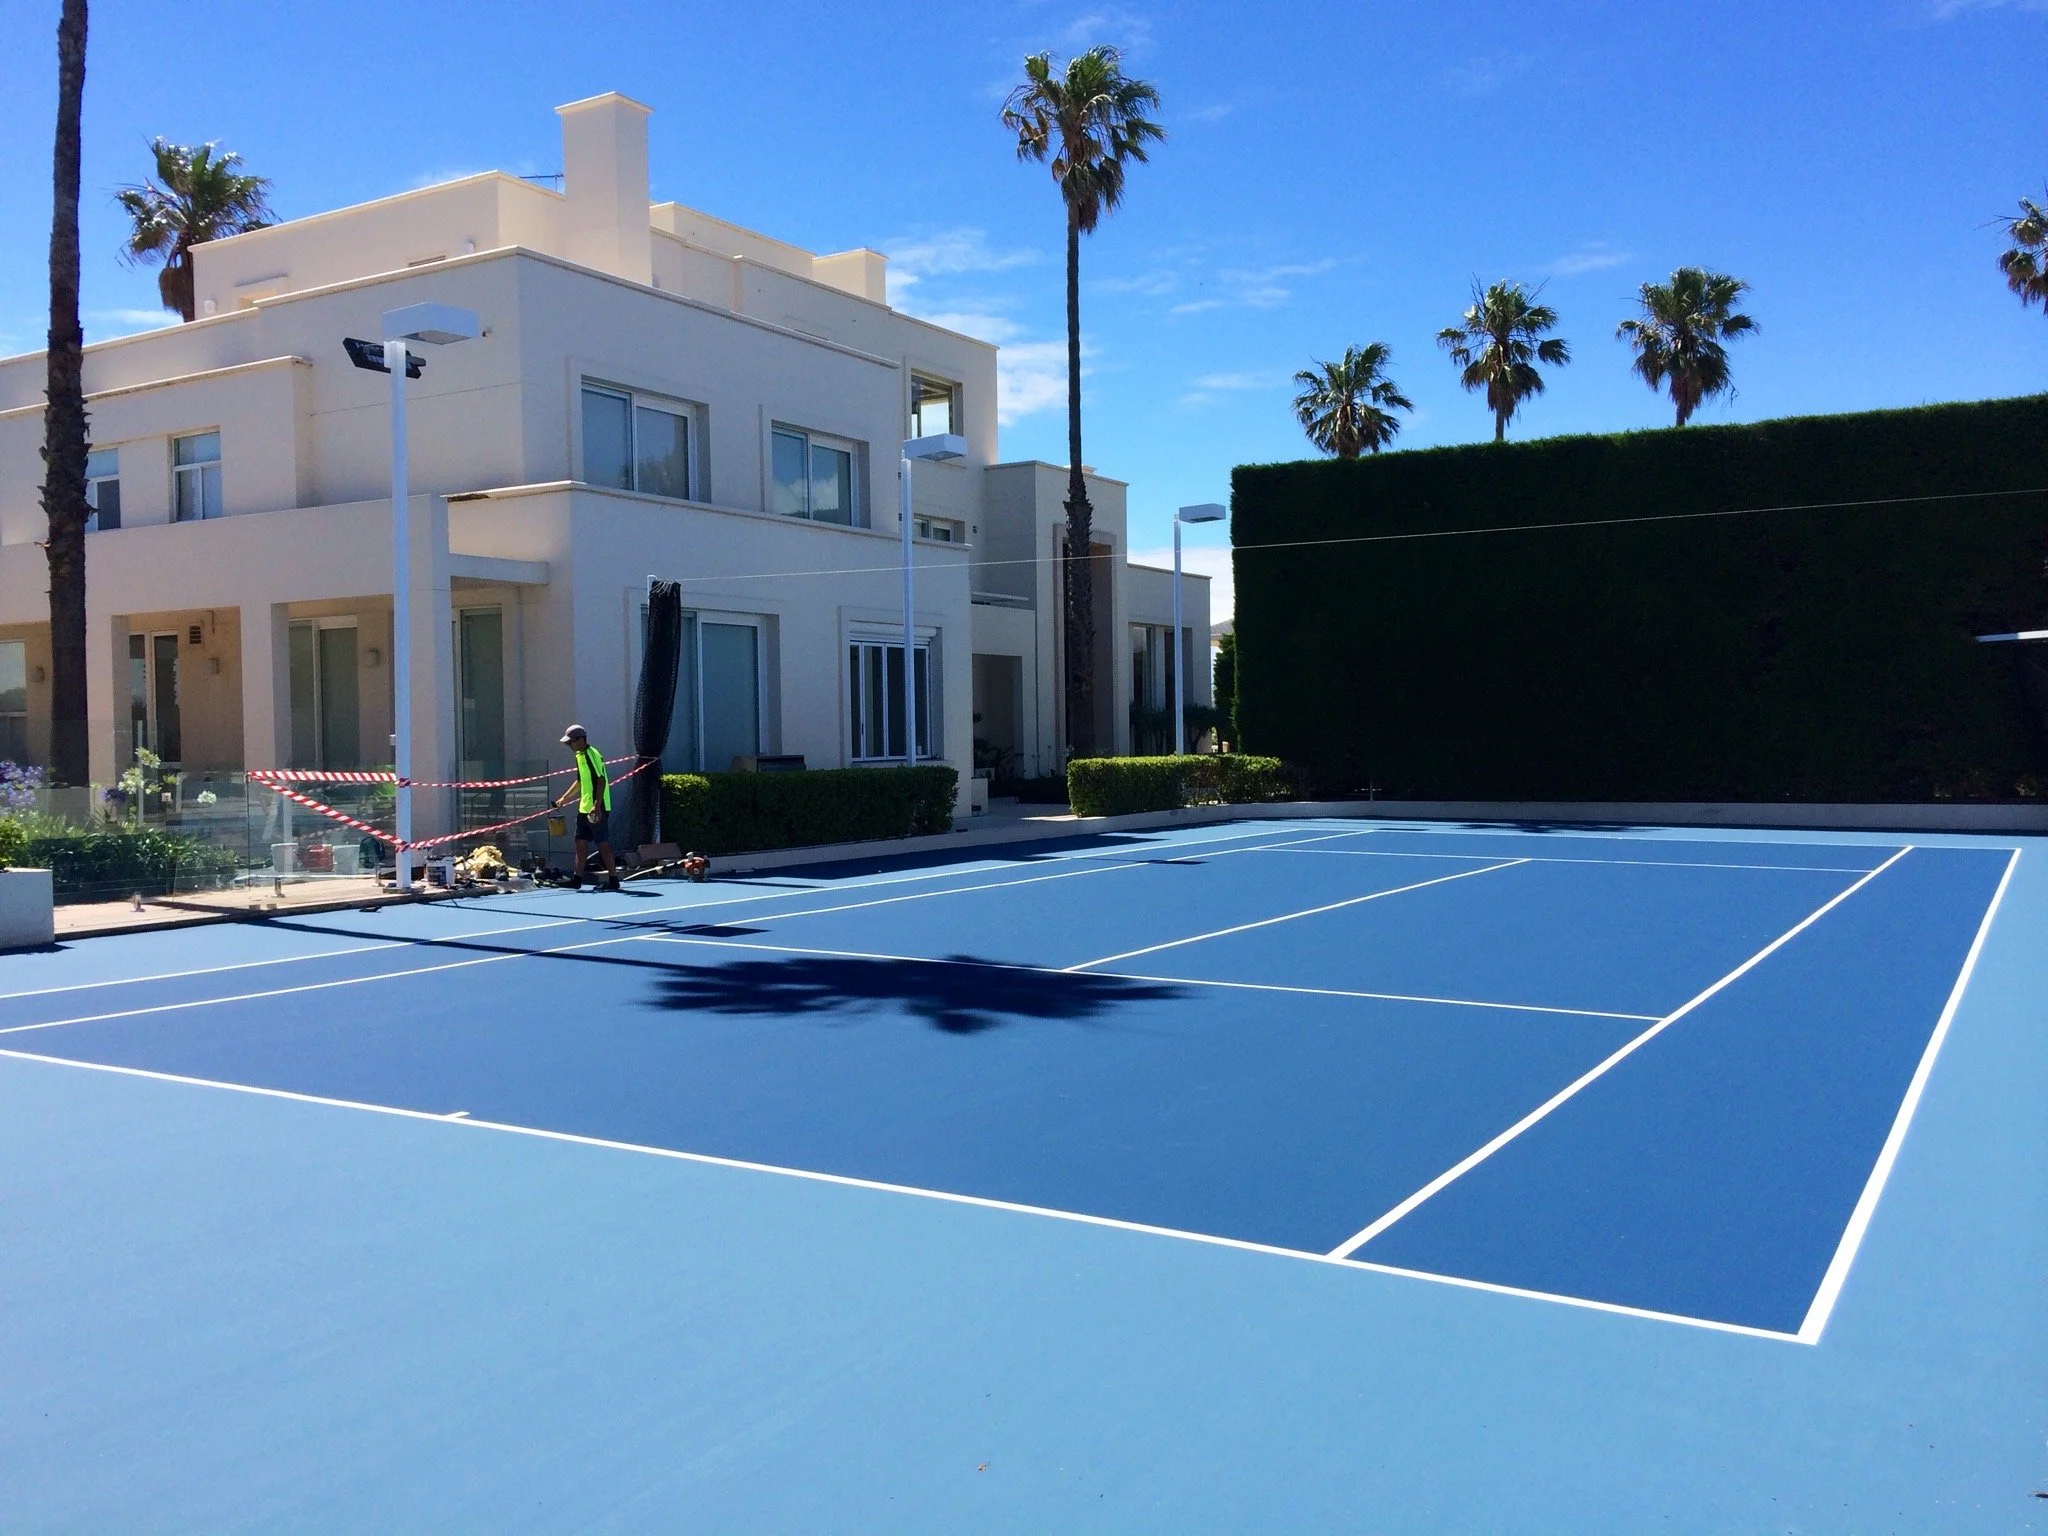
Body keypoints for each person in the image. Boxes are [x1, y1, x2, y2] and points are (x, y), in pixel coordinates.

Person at [553, 724, 619, 890]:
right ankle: (577, 879)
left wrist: (597, 806)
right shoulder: (579, 755)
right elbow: (580, 781)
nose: (569, 746)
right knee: (580, 842)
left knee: (602, 843)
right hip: (584, 807)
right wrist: (564, 798)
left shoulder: (592, 754)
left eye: (571, 743)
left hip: (598, 807)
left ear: (581, 740)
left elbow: (601, 779)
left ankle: (613, 879)